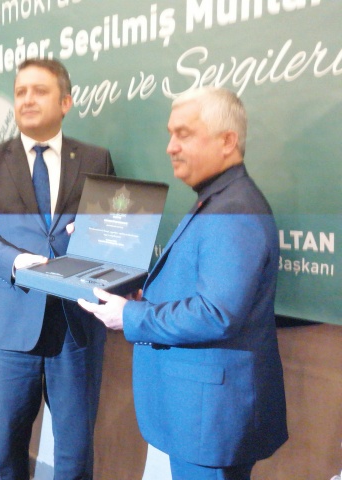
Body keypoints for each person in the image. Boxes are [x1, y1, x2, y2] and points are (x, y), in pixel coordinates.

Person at [79, 87, 288, 479]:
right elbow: (204, 289)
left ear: (228, 141)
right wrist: (145, 296)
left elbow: (216, 313)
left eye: (185, 134)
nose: (171, 147)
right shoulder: (219, 198)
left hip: (211, 420)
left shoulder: (234, 209)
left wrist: (131, 315)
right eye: (170, 134)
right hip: (202, 413)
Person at [0, 58, 115, 479]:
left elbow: (113, 232)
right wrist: (14, 261)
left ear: (65, 102)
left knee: (75, 453)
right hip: (8, 327)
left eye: (39, 91)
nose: (27, 99)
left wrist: (94, 234)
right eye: (20, 92)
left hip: (76, 328)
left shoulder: (97, 159)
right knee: (7, 452)